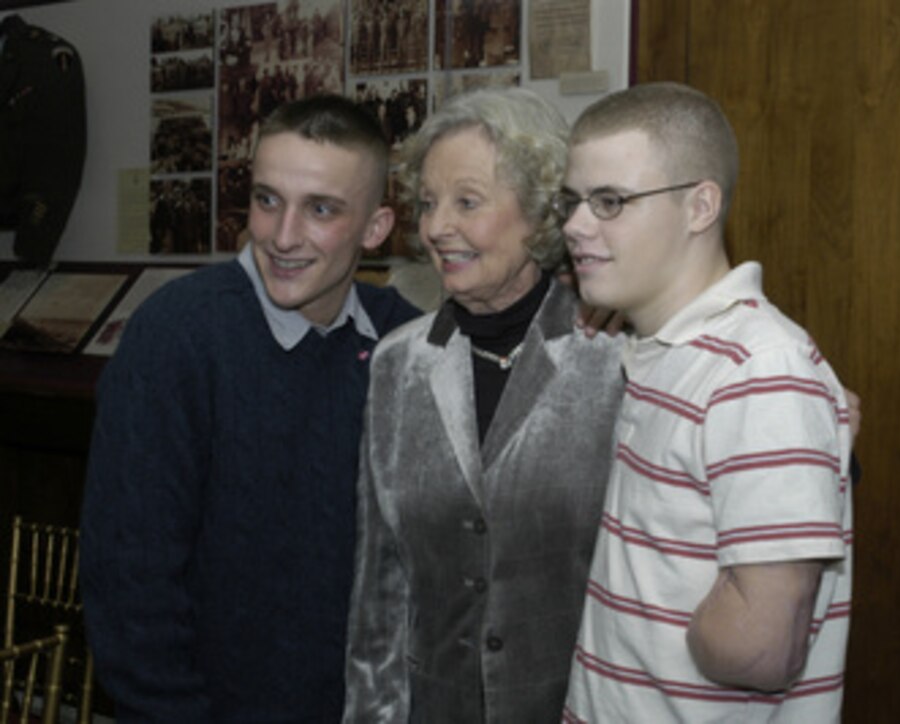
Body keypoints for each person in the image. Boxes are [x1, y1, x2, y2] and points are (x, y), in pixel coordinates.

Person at [80, 95, 420, 722]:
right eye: (267, 200)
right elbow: (132, 586)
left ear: (376, 229)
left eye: (321, 210)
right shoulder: (177, 335)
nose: (283, 237)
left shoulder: (407, 343)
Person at [557, 82, 854, 721]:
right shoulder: (663, 351)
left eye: (609, 201)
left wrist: (682, 638)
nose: (575, 226)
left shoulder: (759, 370)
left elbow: (761, 649)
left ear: (700, 207)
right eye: (573, 201)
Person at [341, 88, 625, 723]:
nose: (438, 227)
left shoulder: (613, 355)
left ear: (539, 212)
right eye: (429, 203)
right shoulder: (398, 363)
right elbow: (379, 590)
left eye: (467, 201)